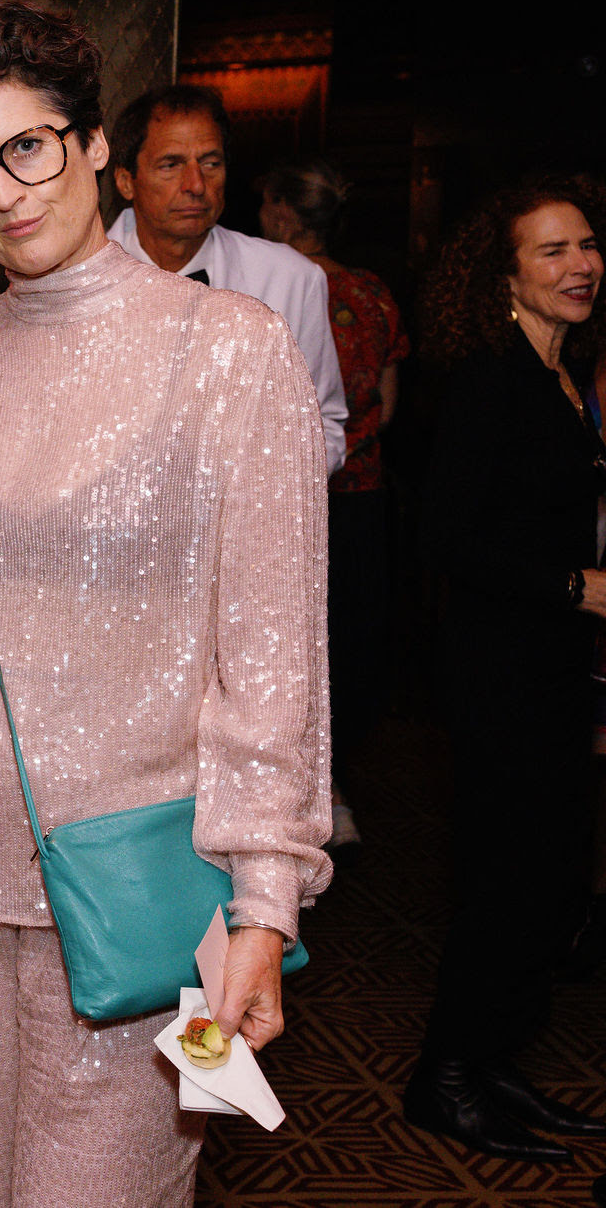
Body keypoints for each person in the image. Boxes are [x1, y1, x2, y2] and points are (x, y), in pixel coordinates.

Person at [0, 2, 333, 1207]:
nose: (4, 194)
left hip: (139, 893)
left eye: (25, 148)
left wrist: (263, 903)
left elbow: (272, 655)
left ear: (89, 146)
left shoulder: (228, 349)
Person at [405, 176, 606, 1162]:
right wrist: (573, 586)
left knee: (549, 880)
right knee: (504, 883)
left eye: (587, 245)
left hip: (555, 671)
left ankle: (492, 1061)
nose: (581, 265)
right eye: (552, 251)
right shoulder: (489, 380)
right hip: (500, 677)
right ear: (505, 277)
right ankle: (444, 1078)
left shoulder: (564, 371)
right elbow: (442, 536)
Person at [258, 158, 409, 852]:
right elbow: (388, 403)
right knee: (348, 642)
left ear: (284, 214)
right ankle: (334, 784)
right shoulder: (371, 291)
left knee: (286, 646)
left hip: (289, 500)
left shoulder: (271, 288)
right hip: (362, 492)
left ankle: (301, 796)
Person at [107, 84, 350, 475]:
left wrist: (251, 489)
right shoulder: (71, 283)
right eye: (170, 164)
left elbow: (323, 429)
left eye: (210, 163)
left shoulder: (291, 279)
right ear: (125, 181)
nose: (196, 184)